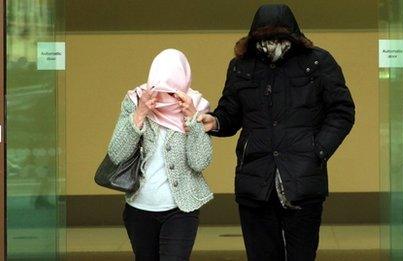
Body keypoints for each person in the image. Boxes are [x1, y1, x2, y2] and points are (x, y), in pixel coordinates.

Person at [198, 4, 355, 261]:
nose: (271, 42)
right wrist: (214, 122)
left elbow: (342, 111)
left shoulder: (318, 62)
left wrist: (318, 151)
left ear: (292, 35)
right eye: (264, 36)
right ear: (254, 35)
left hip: (303, 181)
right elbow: (230, 114)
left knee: (301, 255)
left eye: (279, 35)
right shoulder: (241, 66)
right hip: (255, 181)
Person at [107, 49, 213, 261]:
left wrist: (192, 119)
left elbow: (200, 161)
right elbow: (116, 154)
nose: (166, 96)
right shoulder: (136, 100)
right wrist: (139, 114)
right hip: (139, 208)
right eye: (160, 87)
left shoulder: (196, 105)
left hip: (181, 209)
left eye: (173, 90)